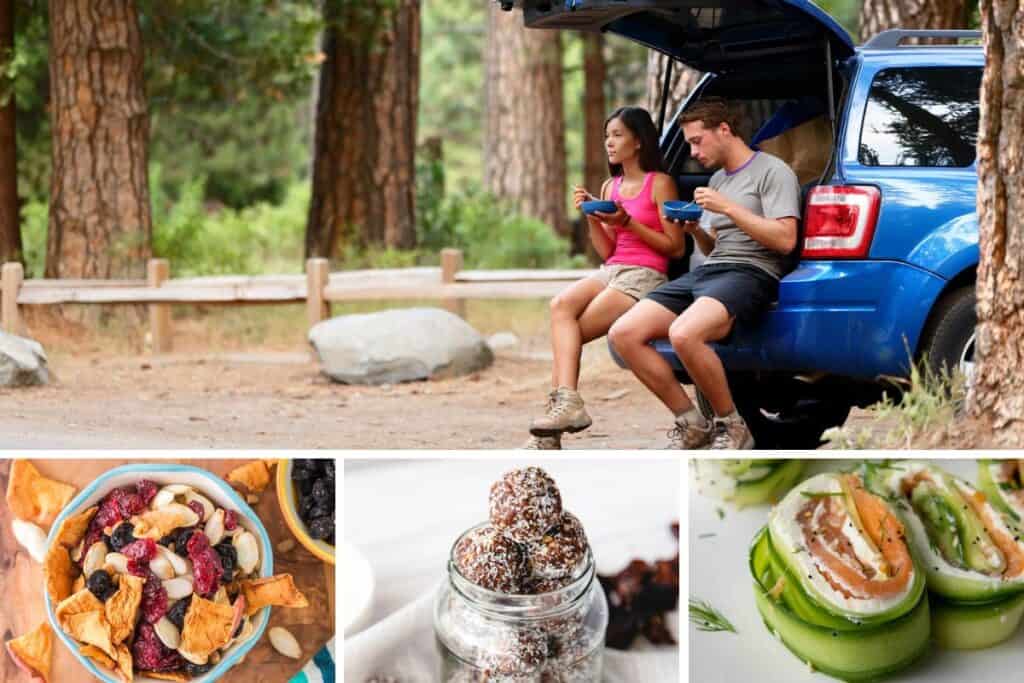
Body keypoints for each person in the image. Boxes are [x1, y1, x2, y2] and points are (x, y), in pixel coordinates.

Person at [608, 97, 801, 450]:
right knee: (623, 333)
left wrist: (727, 206)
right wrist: (695, 230)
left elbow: (785, 240)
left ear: (724, 130)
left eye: (697, 141)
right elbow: (715, 247)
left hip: (751, 270)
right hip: (713, 268)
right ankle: (692, 423)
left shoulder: (774, 171)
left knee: (684, 334)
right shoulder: (717, 179)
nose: (693, 152)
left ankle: (732, 425)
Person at [524, 106, 686, 449]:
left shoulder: (660, 183)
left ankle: (552, 431)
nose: (609, 143)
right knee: (560, 307)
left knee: (567, 338)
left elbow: (674, 248)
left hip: (645, 273)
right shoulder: (609, 186)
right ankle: (564, 411)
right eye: (606, 136)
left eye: (617, 135)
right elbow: (608, 252)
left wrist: (629, 223)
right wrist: (592, 217)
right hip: (613, 269)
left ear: (638, 141)